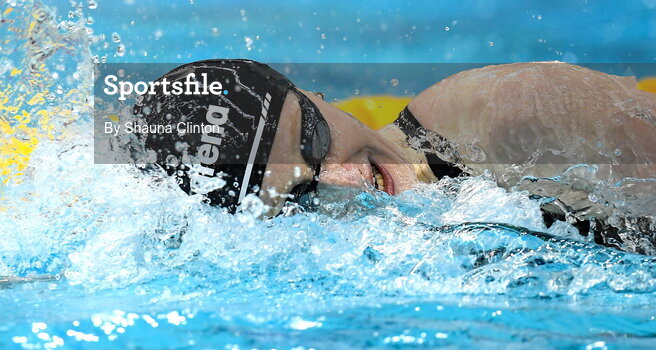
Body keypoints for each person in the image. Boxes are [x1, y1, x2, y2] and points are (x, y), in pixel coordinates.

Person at [131, 59, 656, 253]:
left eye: (313, 141)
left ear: (314, 95)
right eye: (300, 197)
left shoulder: (510, 117)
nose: (345, 181)